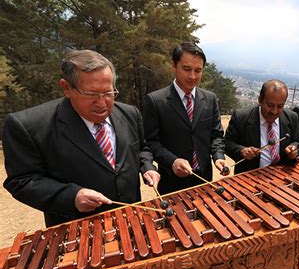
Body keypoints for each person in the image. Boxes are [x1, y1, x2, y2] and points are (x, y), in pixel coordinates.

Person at [2, 49, 160, 227]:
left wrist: (147, 166)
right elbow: (22, 181)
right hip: (78, 231)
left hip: (132, 221)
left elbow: (141, 149)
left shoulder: (130, 114)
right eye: (92, 95)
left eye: (108, 93)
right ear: (66, 88)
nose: (102, 103)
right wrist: (72, 196)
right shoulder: (28, 126)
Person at [143, 43, 228, 194]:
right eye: (187, 69)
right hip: (171, 181)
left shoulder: (210, 99)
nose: (192, 76)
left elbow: (216, 135)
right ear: (174, 66)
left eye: (198, 70)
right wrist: (172, 161)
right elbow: (150, 142)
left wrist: (218, 156)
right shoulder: (155, 101)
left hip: (204, 179)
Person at [225, 80, 299, 174]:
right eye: (270, 105)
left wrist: (294, 148)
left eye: (280, 106)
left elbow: (298, 140)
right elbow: (227, 143)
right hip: (250, 177)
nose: (274, 111)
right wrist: (241, 150)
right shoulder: (241, 117)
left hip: (282, 175)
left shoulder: (292, 117)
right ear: (260, 100)